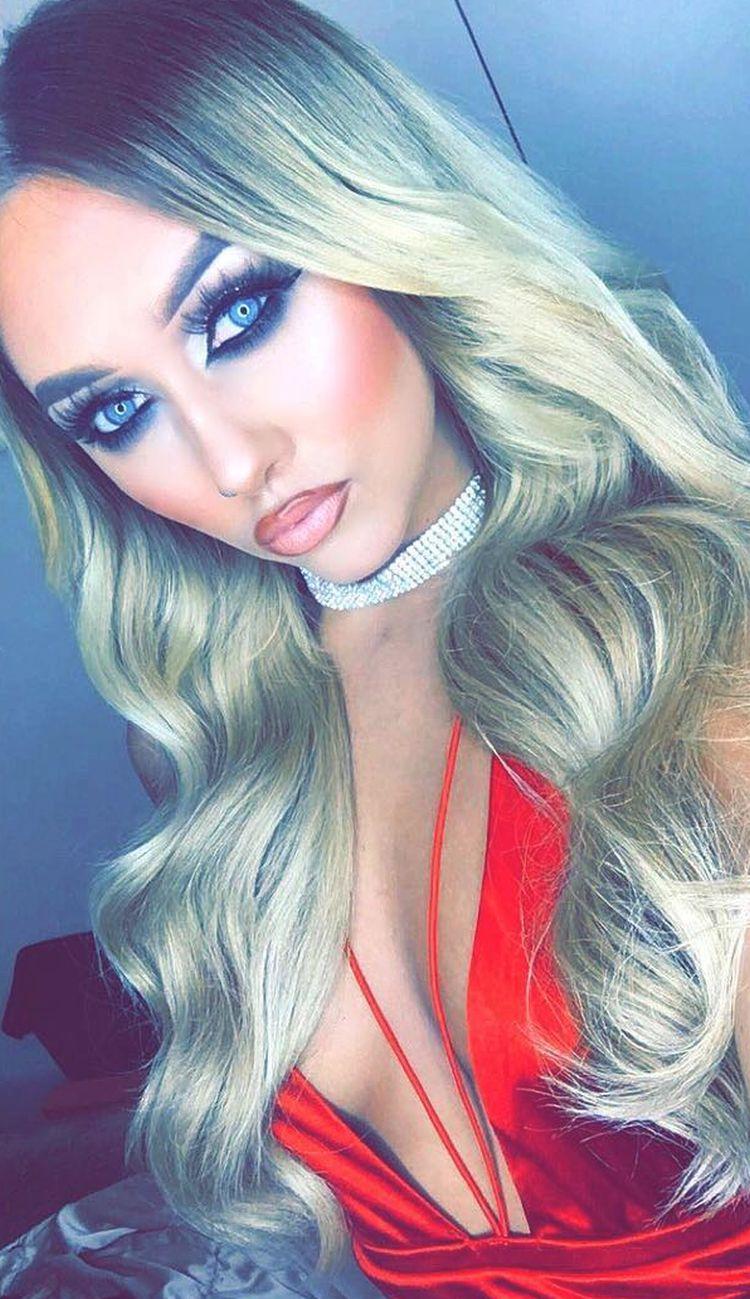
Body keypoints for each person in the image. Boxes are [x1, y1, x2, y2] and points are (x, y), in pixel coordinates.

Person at [1, 0, 750, 1294]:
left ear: (380, 231)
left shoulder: (691, 653)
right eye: (117, 412)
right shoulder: (213, 749)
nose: (228, 460)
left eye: (238, 314)